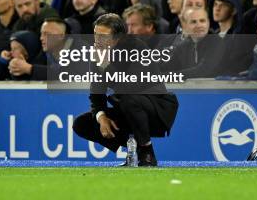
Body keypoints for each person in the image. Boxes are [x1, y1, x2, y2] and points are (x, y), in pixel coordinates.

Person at [72, 13, 179, 167]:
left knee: (129, 99)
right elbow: (96, 94)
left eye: (103, 36)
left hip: (157, 109)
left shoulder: (137, 48)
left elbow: (130, 86)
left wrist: (105, 64)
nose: (97, 41)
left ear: (117, 38)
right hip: (128, 109)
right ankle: (132, 145)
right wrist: (102, 118)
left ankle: (146, 152)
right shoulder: (97, 55)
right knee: (82, 123)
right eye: (95, 34)